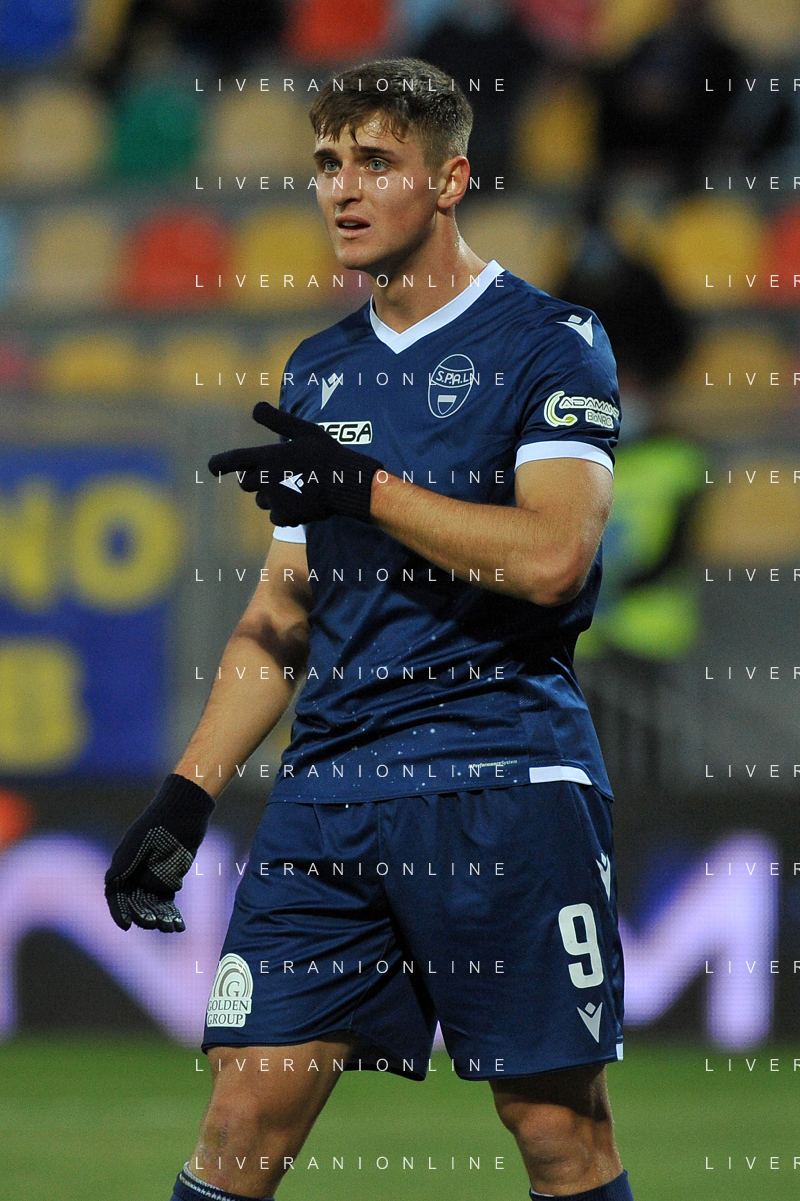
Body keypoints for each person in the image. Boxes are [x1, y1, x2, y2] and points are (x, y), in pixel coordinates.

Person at [105, 57, 634, 1201]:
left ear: (447, 179)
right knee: (242, 1114)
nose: (341, 188)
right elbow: (280, 612)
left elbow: (552, 556)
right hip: (331, 788)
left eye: (375, 162)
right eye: (325, 163)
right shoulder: (319, 371)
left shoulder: (550, 341)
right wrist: (187, 794)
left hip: (499, 772)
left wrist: (370, 489)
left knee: (554, 1127)